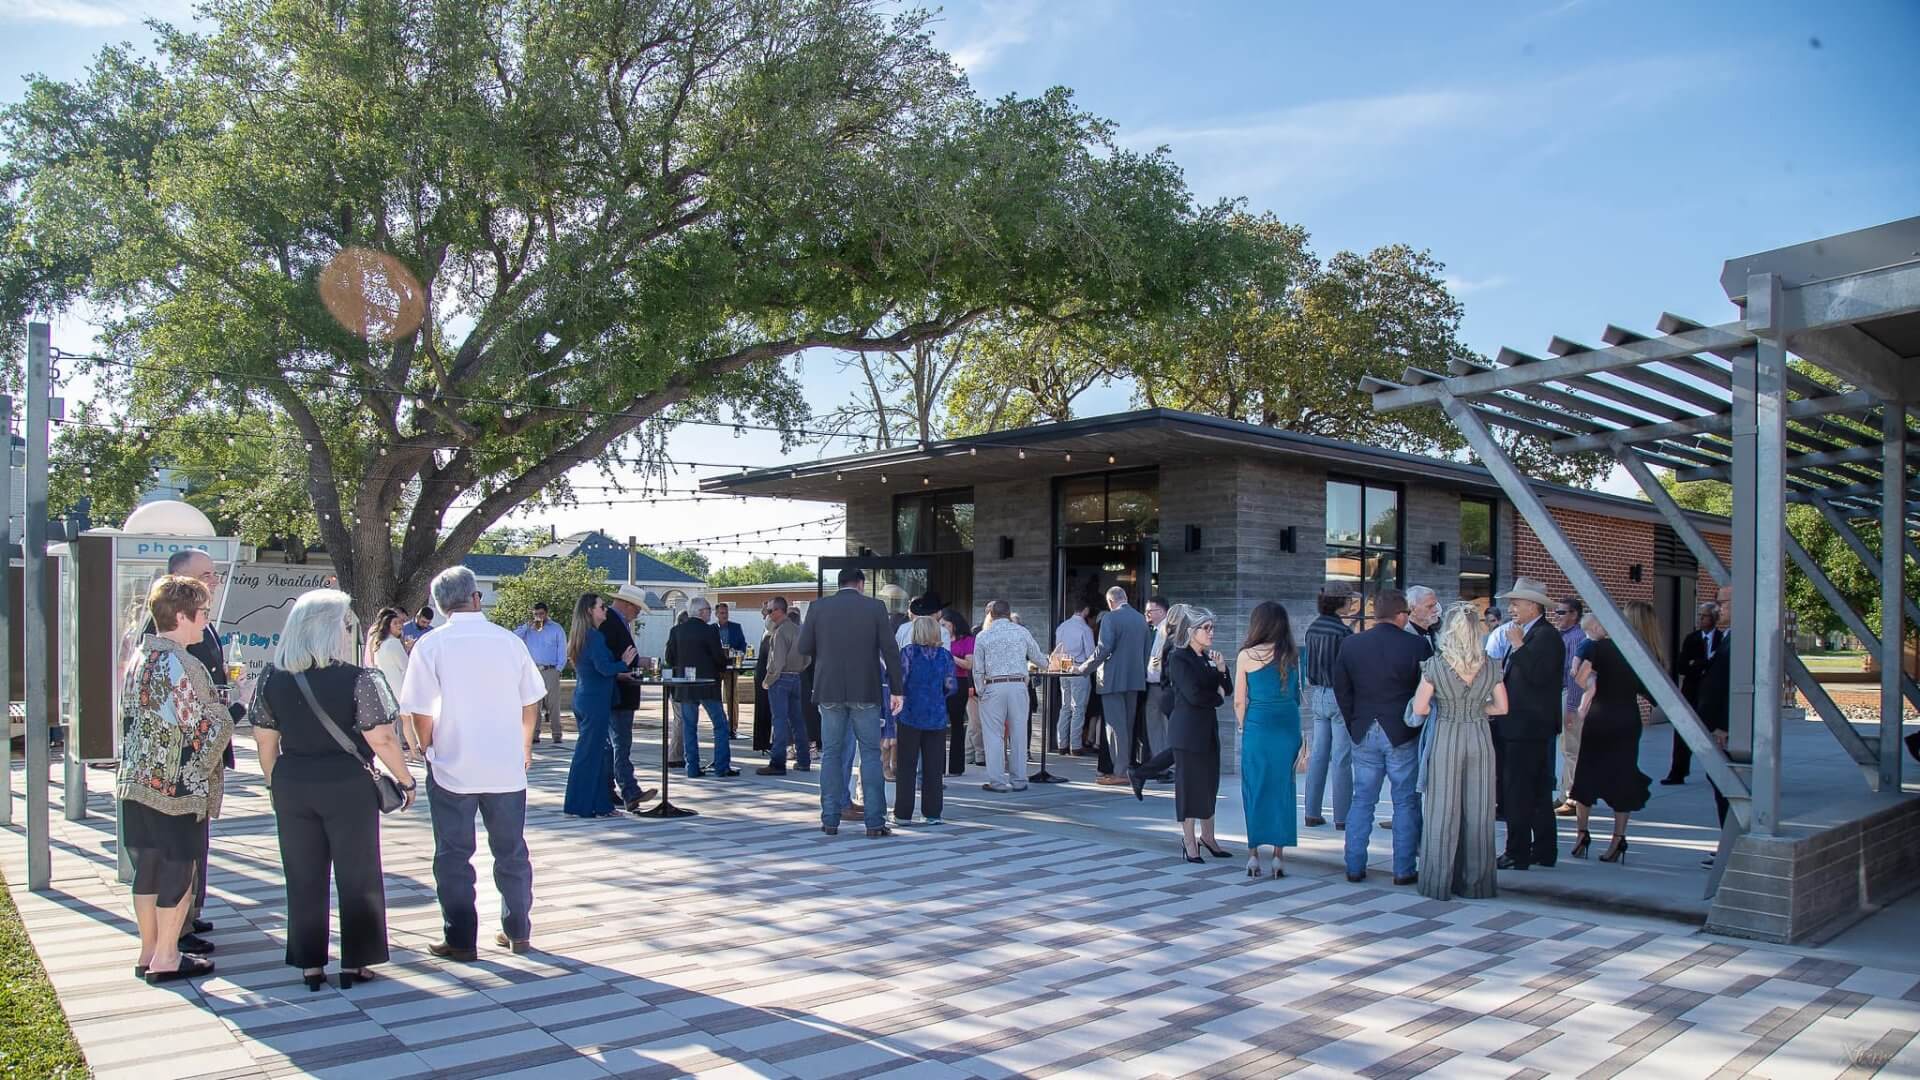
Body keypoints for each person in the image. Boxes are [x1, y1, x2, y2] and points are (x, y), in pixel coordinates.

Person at [253, 589, 416, 990]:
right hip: (347, 784)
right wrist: (406, 781)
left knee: (303, 874)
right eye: (345, 625)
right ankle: (357, 961)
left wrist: (276, 783)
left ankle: (309, 962)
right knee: (357, 873)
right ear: (328, 630)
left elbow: (264, 740)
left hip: (292, 781)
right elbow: (381, 738)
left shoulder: (272, 677)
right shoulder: (358, 678)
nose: (349, 632)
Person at [397, 566, 546, 959]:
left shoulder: (431, 645)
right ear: (476, 597)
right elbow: (531, 701)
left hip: (453, 763)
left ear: (440, 604)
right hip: (505, 763)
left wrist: (426, 746)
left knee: (453, 855)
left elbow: (420, 710)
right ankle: (518, 929)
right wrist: (525, 744)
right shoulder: (509, 642)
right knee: (511, 850)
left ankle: (461, 937)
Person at [118, 575, 234, 984]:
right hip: (175, 786)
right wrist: (228, 712)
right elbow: (203, 727)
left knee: (146, 867)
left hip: (136, 779)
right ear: (182, 615)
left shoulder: (140, 657)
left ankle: (148, 949)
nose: (206, 621)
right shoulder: (183, 663)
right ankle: (168, 954)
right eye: (202, 613)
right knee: (177, 868)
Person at [141, 549, 245, 953]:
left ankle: (189, 913)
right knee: (179, 849)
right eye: (205, 575)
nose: (214, 582)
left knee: (196, 840)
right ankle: (175, 932)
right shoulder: (164, 641)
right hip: (180, 759)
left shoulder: (204, 626)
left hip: (201, 751)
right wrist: (232, 707)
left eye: (214, 575)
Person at [1410, 603, 1508, 902]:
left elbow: (1419, 708)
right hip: (1479, 735)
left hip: (1447, 734)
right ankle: (1477, 884)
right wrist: (1479, 710)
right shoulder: (1491, 664)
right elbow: (1502, 708)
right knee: (1479, 810)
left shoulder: (1436, 666)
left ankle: (1437, 882)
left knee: (1442, 810)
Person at [1333, 589, 1431, 886]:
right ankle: (1403, 869)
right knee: (1405, 802)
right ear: (1402, 615)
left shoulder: (1351, 644)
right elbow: (1423, 692)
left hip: (1364, 728)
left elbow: (1342, 689)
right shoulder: (1417, 646)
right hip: (1402, 731)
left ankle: (1354, 865)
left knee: (1362, 799)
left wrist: (1354, 724)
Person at [798, 567, 904, 836]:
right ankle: (875, 822)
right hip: (865, 690)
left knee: (831, 753)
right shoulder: (875, 607)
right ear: (860, 583)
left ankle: (830, 819)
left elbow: (803, 647)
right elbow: (890, 650)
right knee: (869, 753)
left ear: (839, 583)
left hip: (828, 689)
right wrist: (896, 689)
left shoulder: (818, 607)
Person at [1129, 606, 1232, 862]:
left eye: (1212, 628)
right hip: (1187, 730)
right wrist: (1216, 695)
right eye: (1206, 628)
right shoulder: (1179, 657)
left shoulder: (1207, 657)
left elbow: (1226, 689)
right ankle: (1189, 840)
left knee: (1209, 785)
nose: (1211, 633)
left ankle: (1208, 837)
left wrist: (1221, 669)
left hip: (1207, 728)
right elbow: (1195, 695)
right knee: (1189, 787)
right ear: (1191, 631)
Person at [1567, 601, 1661, 864]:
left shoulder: (1599, 647)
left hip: (1600, 717)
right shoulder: (1646, 653)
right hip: (1627, 719)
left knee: (1586, 774)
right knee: (1623, 776)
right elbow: (1653, 694)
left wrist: (1590, 684)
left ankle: (1582, 834)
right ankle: (1618, 839)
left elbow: (1578, 675)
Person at [1492, 577, 1565, 872]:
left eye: (1516, 603)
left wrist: (1519, 647)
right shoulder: (1528, 634)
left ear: (1533, 606)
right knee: (1534, 791)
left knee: (1519, 791)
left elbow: (1541, 676)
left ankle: (1518, 851)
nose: (1511, 608)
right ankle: (1544, 850)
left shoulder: (1545, 636)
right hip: (1522, 726)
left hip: (1528, 727)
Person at [1236, 601, 1303, 879]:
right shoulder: (1293, 654)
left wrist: (1244, 727)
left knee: (1254, 787)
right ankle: (1278, 857)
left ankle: (1253, 856)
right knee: (1283, 790)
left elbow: (1240, 700)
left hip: (1258, 726)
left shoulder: (1246, 655)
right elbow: (1297, 696)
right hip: (1287, 726)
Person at [563, 593, 636, 816]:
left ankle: (586, 804)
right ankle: (588, 806)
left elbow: (595, 668)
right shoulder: (593, 637)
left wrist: (618, 669)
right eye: (601, 607)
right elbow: (604, 668)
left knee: (588, 754)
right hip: (595, 701)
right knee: (592, 756)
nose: (605, 610)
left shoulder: (582, 636)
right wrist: (623, 663)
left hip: (585, 698)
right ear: (589, 611)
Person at [970, 599, 1048, 794]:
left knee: (993, 735)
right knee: (1019, 734)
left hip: (993, 685)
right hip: (1018, 684)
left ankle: (996, 781)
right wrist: (1049, 662)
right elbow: (1039, 658)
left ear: (990, 614)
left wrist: (980, 690)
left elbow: (977, 668)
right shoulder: (1021, 632)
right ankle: (1019, 780)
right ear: (1009, 613)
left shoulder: (983, 636)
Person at [1081, 586, 1150, 787]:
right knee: (1127, 726)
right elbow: (1146, 652)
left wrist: (1084, 668)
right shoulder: (1140, 619)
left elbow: (1103, 649)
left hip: (1112, 680)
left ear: (1110, 602)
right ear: (1125, 598)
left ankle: (1120, 772)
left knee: (1115, 727)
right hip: (1135, 680)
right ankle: (1125, 768)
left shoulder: (1110, 619)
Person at [1302, 584, 1357, 829]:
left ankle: (1312, 812)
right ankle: (1342, 817)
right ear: (1340, 602)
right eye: (1348, 599)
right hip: (1339, 696)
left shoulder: (1314, 627)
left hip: (1318, 694)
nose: (1351, 603)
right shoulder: (1343, 633)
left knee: (1318, 756)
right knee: (1342, 758)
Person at [666, 597, 736, 779]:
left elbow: (669, 657)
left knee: (689, 727)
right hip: (707, 685)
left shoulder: (676, 631)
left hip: (686, 686)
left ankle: (692, 767)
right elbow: (718, 657)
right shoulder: (710, 631)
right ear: (701, 611)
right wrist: (723, 666)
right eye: (708, 609)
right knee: (720, 725)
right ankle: (721, 766)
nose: (710, 613)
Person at [896, 615, 956, 825]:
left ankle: (903, 814)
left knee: (906, 766)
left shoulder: (908, 653)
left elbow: (899, 681)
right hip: (936, 716)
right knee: (933, 767)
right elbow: (951, 686)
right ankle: (932, 814)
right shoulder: (945, 656)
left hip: (910, 714)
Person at [603, 586, 653, 810]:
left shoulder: (614, 622)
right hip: (619, 692)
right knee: (620, 744)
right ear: (628, 605)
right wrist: (638, 663)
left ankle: (608, 788)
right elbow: (619, 658)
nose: (638, 614)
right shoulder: (612, 623)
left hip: (618, 692)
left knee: (614, 745)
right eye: (637, 609)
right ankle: (629, 790)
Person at [1664, 602, 1720, 785]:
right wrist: (1703, 663)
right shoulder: (1692, 639)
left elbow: (1720, 667)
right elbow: (1682, 666)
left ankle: (1718, 772)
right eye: (1699, 615)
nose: (1700, 619)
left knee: (1714, 732)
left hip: (1711, 693)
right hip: (1691, 691)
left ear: (1714, 618)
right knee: (1683, 731)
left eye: (1704, 616)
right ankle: (1677, 772)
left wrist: (1697, 664)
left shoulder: (1722, 639)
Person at [758, 596, 811, 775]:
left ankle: (777, 763)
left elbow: (777, 662)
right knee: (797, 720)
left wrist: (767, 681)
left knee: (779, 721)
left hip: (780, 680)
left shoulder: (780, 633)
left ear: (780, 611)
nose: (768, 614)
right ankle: (804, 760)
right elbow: (807, 658)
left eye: (771, 611)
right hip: (796, 677)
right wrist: (797, 670)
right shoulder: (798, 630)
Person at [1551, 596, 1588, 814]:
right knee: (1566, 748)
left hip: (1570, 695)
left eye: (1562, 612)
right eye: (1556, 612)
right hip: (1563, 695)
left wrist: (1572, 708)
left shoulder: (1575, 638)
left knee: (1572, 748)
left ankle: (1573, 799)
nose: (1557, 616)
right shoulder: (1564, 636)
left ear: (1574, 614)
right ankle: (1565, 793)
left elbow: (1575, 676)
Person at [515, 602, 568, 745]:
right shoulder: (528, 629)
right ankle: (534, 734)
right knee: (534, 704)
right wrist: (527, 626)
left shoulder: (556, 628)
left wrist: (559, 669)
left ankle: (557, 734)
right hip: (533, 670)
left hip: (550, 669)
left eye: (541, 614)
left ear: (546, 613)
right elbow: (514, 637)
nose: (539, 617)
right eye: (536, 614)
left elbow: (562, 649)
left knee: (553, 704)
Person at [1052, 600, 1096, 753]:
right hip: (1078, 668)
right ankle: (1075, 745)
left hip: (1063, 668)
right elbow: (1091, 653)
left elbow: (1057, 649)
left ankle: (1061, 744)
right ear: (1085, 610)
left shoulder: (1062, 627)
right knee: (1078, 708)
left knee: (1065, 707)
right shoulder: (1084, 629)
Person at [1140, 595, 1172, 779]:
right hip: (1153, 685)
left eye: (1149, 611)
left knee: (1163, 727)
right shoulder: (1155, 630)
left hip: (1163, 685)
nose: (1147, 614)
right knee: (1154, 726)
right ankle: (1159, 765)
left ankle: (1164, 766)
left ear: (1161, 611)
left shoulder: (1169, 631)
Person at [942, 609, 975, 776]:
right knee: (939, 724)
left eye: (945, 624)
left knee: (956, 724)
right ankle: (938, 767)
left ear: (954, 625)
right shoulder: (940, 638)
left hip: (959, 681)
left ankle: (956, 767)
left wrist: (950, 656)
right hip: (941, 682)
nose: (942, 627)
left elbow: (969, 665)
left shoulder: (967, 640)